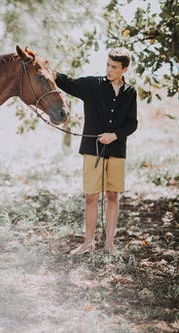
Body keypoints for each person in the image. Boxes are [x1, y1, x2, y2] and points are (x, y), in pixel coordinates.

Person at [54, 48, 138, 255]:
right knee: (91, 197)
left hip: (117, 150)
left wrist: (114, 135)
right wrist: (48, 71)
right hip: (92, 149)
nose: (109, 70)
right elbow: (68, 83)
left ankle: (109, 244)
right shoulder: (92, 85)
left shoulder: (130, 93)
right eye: (108, 65)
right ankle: (87, 243)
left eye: (114, 67)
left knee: (112, 196)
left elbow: (132, 123)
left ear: (124, 69)